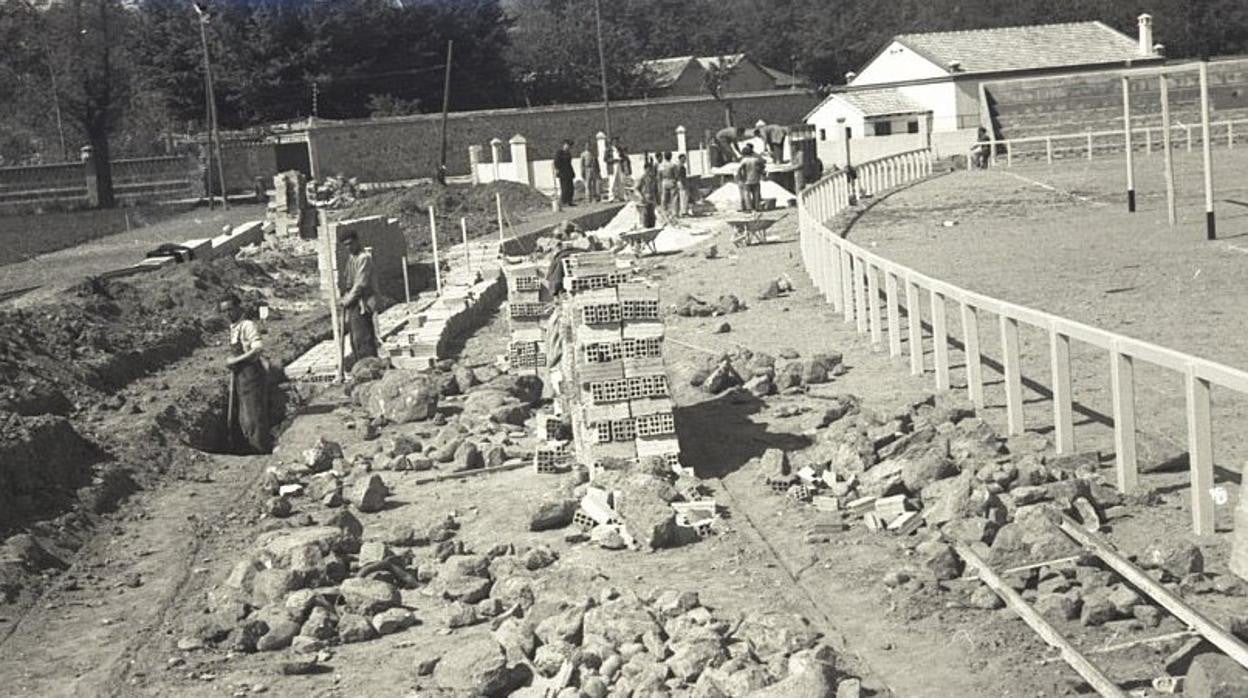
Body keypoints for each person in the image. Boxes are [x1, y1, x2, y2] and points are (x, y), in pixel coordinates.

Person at [221, 294, 270, 454]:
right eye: (224, 311)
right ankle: (247, 447)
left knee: (254, 416)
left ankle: (260, 450)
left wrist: (235, 361)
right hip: (240, 377)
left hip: (252, 375)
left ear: (238, 308)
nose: (228, 314)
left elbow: (257, 349)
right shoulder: (233, 328)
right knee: (244, 416)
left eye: (230, 309)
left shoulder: (247, 325)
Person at [339, 230, 379, 360]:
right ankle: (360, 364)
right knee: (354, 338)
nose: (349, 247)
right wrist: (344, 296)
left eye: (350, 243)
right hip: (354, 302)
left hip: (363, 302)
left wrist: (348, 300)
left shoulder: (364, 258)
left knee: (363, 336)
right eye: (346, 245)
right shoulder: (352, 258)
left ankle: (370, 365)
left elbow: (360, 284)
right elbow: (349, 281)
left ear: (357, 241)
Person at [736, 144, 765, 212]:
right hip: (756, 179)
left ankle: (749, 208)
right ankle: (757, 207)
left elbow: (739, 169)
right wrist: (761, 173)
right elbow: (762, 166)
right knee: (756, 194)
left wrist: (740, 177)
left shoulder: (744, 161)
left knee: (747, 194)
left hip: (747, 180)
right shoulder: (756, 160)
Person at [657, 151, 679, 222]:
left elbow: (659, 176)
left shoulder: (661, 165)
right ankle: (674, 213)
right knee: (674, 198)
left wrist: (659, 184)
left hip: (664, 181)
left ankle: (664, 212)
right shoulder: (673, 165)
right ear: (671, 156)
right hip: (671, 181)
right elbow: (676, 175)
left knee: (664, 198)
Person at [637, 158, 659, 229]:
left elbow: (656, 189)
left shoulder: (653, 178)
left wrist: (657, 198)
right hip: (645, 198)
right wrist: (641, 196)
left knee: (652, 214)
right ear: (645, 169)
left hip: (652, 198)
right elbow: (637, 188)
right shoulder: (643, 178)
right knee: (646, 214)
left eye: (650, 169)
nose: (649, 171)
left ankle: (652, 226)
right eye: (648, 169)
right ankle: (646, 226)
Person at [554, 139, 576, 207]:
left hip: (568, 172)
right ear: (564, 145)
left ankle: (570, 201)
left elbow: (569, 164)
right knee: (564, 188)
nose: (568, 147)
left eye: (569, 146)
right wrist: (558, 169)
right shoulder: (559, 152)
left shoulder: (568, 153)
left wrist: (573, 172)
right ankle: (564, 201)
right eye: (567, 145)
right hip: (563, 173)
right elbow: (556, 162)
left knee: (571, 188)